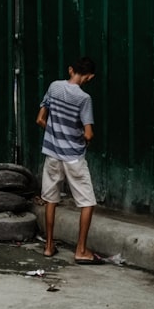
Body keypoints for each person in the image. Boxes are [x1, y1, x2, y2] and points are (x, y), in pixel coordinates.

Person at [36, 56, 101, 263]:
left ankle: (48, 246)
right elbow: (89, 134)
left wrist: (56, 133)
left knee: (51, 199)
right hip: (73, 156)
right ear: (89, 77)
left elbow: (40, 119)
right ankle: (81, 250)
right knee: (87, 202)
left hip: (52, 154)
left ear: (70, 70)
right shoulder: (84, 99)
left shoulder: (54, 87)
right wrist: (79, 138)